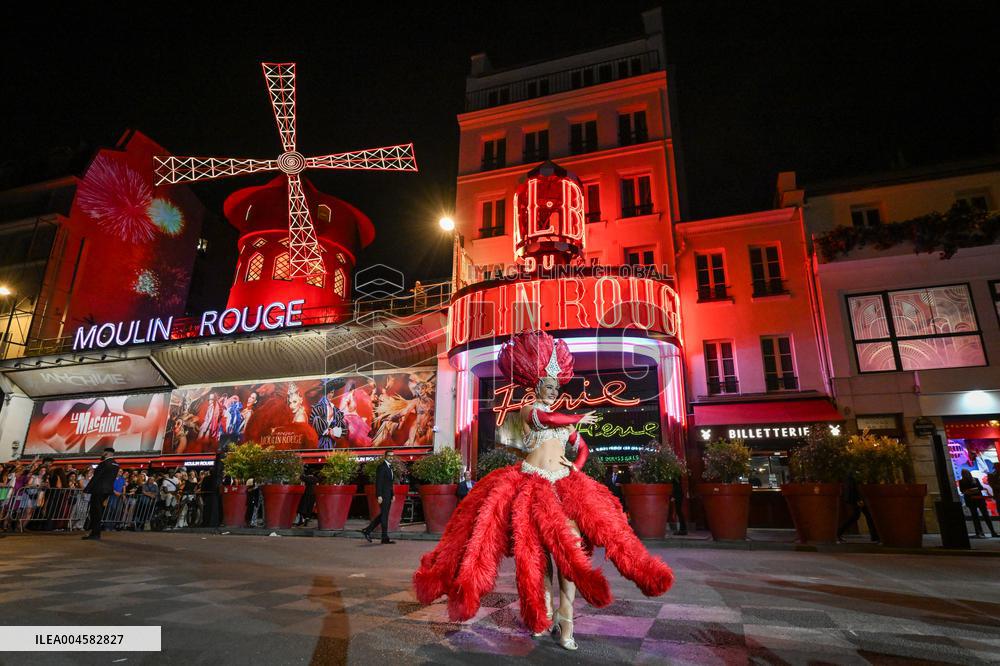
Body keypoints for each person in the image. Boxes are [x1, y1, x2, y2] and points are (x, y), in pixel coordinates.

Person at [413, 331, 674, 650]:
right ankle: (542, 613)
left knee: (570, 554)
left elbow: (584, 448)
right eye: (548, 386)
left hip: (564, 487)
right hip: (533, 485)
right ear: (536, 387)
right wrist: (579, 416)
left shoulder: (565, 423)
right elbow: (547, 417)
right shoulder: (529, 411)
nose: (553, 391)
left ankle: (566, 621)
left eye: (555, 387)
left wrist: (575, 466)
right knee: (537, 558)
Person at [82, 448, 120, 540]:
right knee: (98, 511)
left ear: (106, 453)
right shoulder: (116, 464)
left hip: (98, 490)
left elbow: (96, 477)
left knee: (95, 511)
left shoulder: (104, 464)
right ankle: (95, 533)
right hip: (107, 490)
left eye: (103, 453)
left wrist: (87, 489)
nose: (102, 454)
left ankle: (95, 533)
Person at [362, 451, 397, 544]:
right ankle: (384, 537)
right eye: (389, 456)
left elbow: (390, 484)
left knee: (383, 515)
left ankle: (367, 530)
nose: (391, 457)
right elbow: (379, 482)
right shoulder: (381, 467)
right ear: (385, 456)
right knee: (384, 516)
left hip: (388, 495)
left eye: (392, 456)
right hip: (383, 495)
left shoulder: (390, 467)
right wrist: (379, 495)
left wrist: (392, 494)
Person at [838, 471, 879, 542]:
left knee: (857, 515)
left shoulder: (850, 473)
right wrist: (859, 499)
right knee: (867, 514)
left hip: (854, 497)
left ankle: (838, 532)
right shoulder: (855, 473)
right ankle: (874, 536)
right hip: (857, 498)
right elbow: (855, 486)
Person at [959, 469, 997, 538]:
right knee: (977, 516)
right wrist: (974, 490)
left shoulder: (974, 479)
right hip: (974, 500)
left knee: (982, 516)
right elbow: (963, 490)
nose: (965, 475)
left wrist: (970, 490)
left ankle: (988, 532)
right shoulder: (963, 481)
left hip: (977, 499)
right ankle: (982, 532)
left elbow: (980, 487)